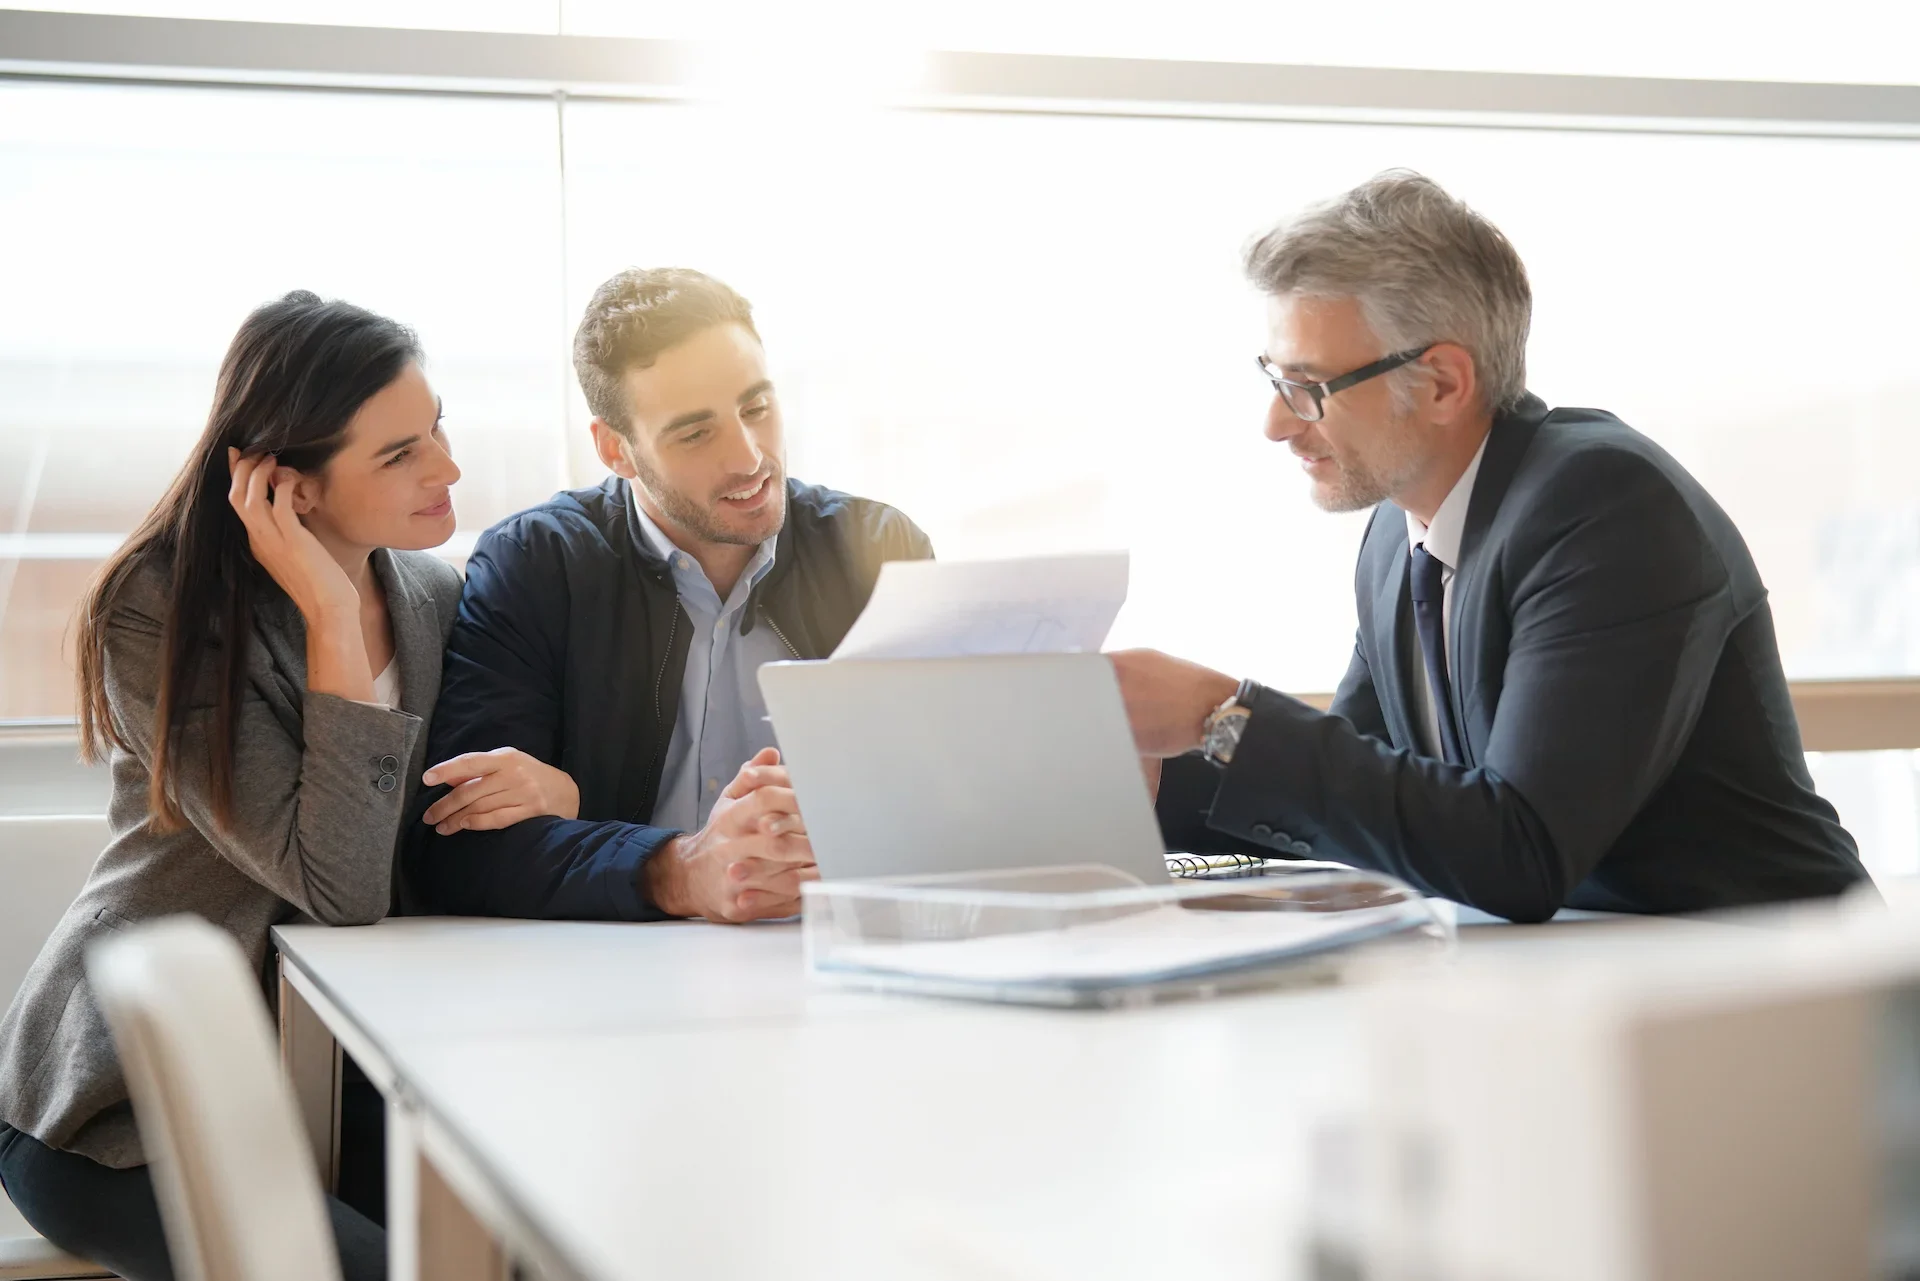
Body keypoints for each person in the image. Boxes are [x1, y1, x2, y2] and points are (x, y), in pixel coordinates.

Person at [1113, 171, 1867, 923]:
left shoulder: (1606, 507)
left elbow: (1521, 850)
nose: (1277, 424)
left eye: (1308, 386)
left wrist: (1223, 716)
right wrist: (1111, 779)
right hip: (1600, 973)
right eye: (1276, 378)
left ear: (1443, 382)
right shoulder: (1394, 535)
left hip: (1779, 986)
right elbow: (1370, 797)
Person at [0, 292, 571, 1281]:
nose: (448, 468)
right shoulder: (158, 612)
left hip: (347, 1081)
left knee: (537, 1250)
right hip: (126, 1110)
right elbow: (340, 884)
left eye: (436, 429)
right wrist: (329, 615)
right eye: (398, 455)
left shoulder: (438, 597)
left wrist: (552, 791)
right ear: (290, 489)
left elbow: (437, 841)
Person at [411, 267, 932, 924]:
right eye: (695, 432)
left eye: (757, 408)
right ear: (615, 449)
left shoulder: (877, 548)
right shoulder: (538, 565)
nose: (749, 458)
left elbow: (944, 803)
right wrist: (681, 870)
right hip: (607, 980)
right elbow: (458, 849)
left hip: (838, 955)